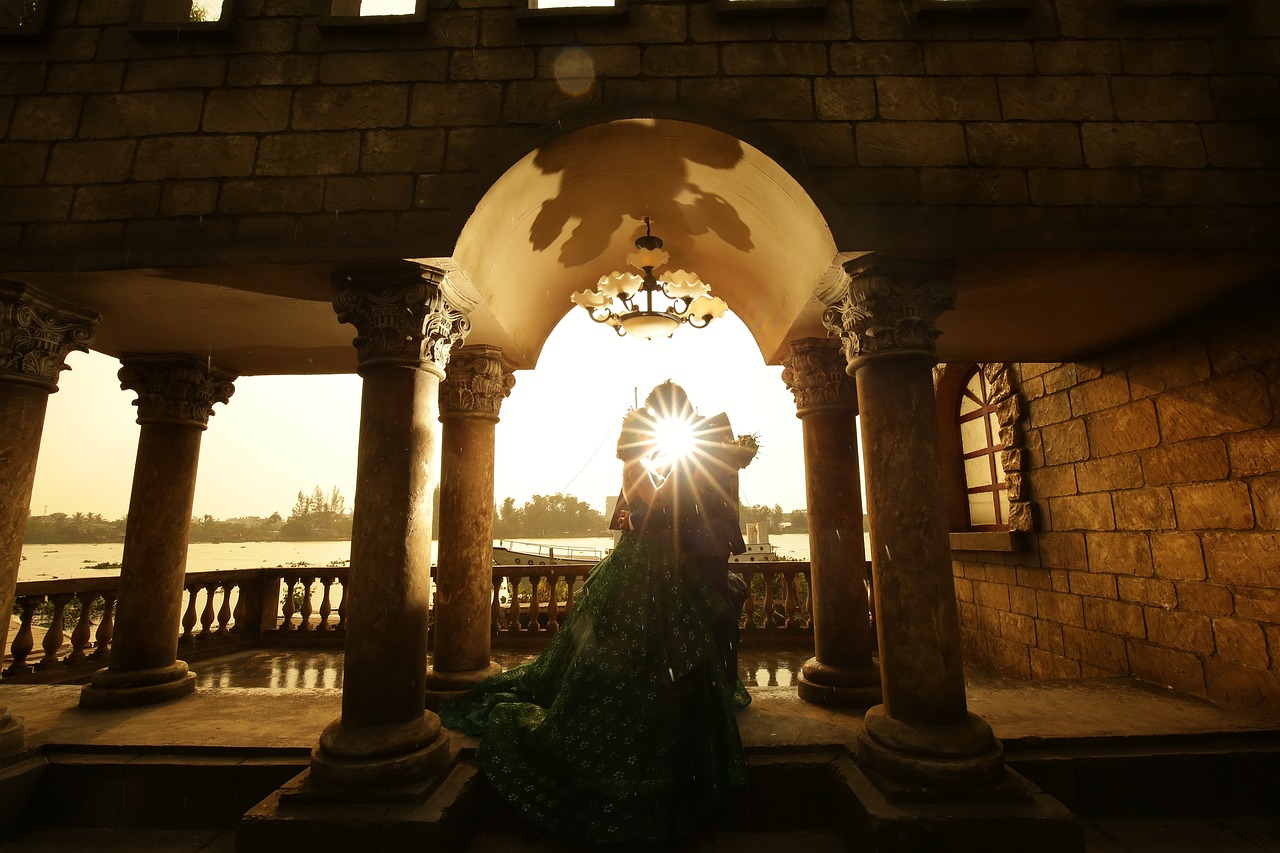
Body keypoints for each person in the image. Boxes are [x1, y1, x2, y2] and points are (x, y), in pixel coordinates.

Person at [437, 384, 749, 844]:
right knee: (625, 658)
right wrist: (693, 467)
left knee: (679, 660)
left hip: (671, 572)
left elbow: (693, 509)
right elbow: (657, 507)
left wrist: (718, 460)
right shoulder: (635, 468)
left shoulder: (674, 464)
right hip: (639, 572)